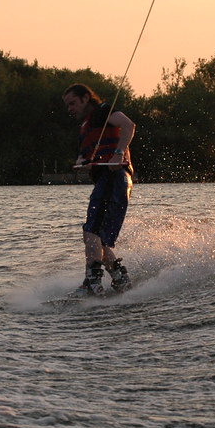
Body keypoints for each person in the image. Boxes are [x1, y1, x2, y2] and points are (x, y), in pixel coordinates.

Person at [62, 83, 135, 297]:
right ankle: (121, 280)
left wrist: (119, 153)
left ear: (86, 98)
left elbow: (129, 125)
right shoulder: (85, 128)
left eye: (73, 103)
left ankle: (91, 284)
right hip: (104, 179)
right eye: (67, 106)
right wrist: (83, 163)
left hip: (115, 176)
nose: (70, 109)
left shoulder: (102, 111)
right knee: (95, 238)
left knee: (91, 231)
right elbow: (85, 157)